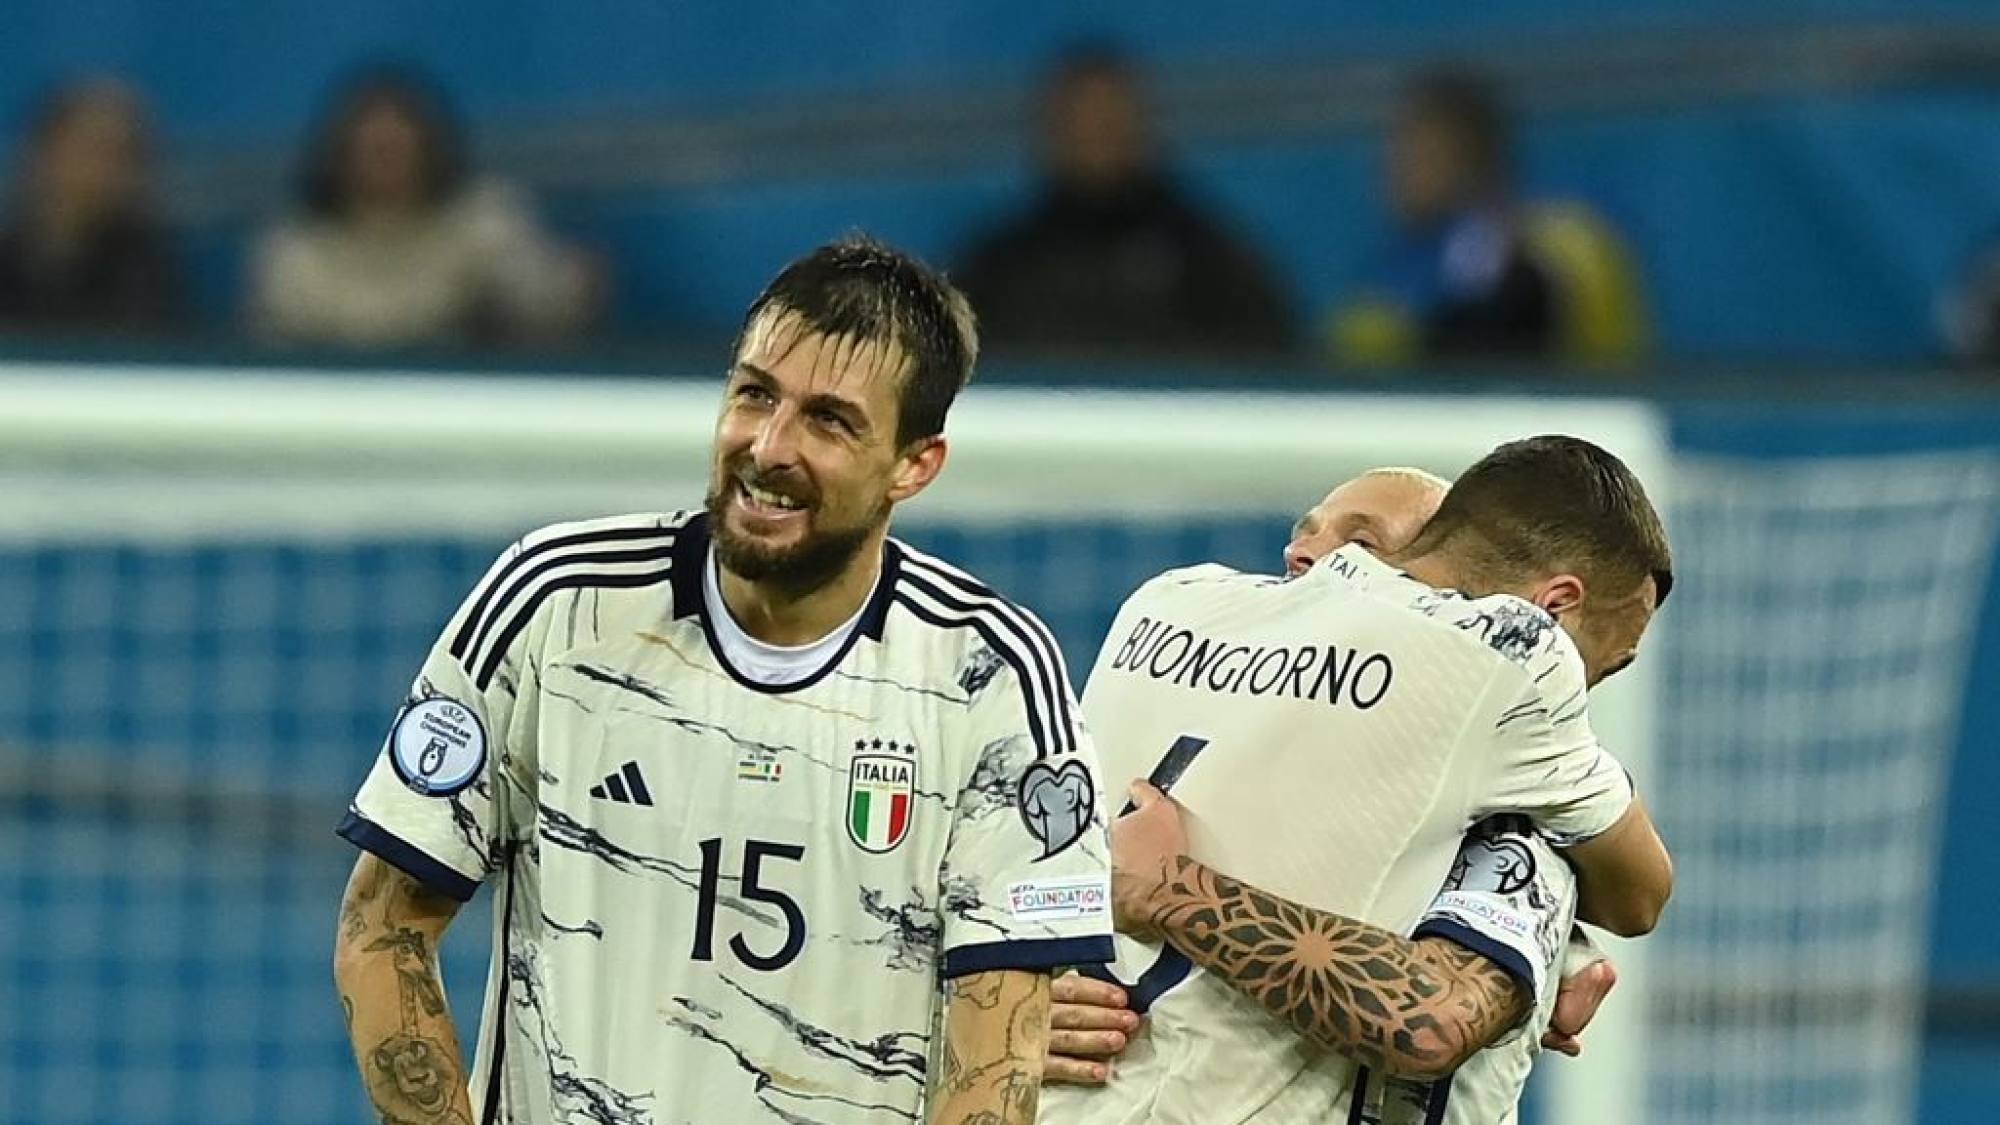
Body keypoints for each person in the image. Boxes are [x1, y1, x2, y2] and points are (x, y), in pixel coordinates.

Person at [332, 236, 1114, 1125]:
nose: (769, 446)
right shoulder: (556, 604)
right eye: (755, 394)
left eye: (829, 420)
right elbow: (381, 927)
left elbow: (994, 1069)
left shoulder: (993, 680)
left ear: (915, 463)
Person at [1039, 435, 1674, 1123]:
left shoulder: (1166, 601)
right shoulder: (1509, 661)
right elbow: (1639, 899)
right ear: (1551, 607)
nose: (1317, 560)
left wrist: (1556, 948)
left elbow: (1040, 873)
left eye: (1363, 542)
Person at [955, 44, 1294, 358]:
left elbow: (1269, 354)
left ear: (1141, 127)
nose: (1095, 136)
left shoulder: (1205, 261)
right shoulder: (1005, 267)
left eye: (1109, 119)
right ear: (1050, 132)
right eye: (1080, 121)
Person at [250, 64, 594, 350]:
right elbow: (273, 355)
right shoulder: (298, 250)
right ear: (339, 155)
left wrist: (570, 288)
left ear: (429, 147)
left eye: (397, 146)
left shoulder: (483, 221)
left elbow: (550, 303)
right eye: (373, 150)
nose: (386, 160)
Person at [1330, 69, 1562, 365]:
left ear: (1466, 157)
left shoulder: (1493, 253)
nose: (1393, 167)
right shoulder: (1405, 258)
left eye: (1415, 150)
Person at [0, 78, 181, 334]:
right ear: (43, 152)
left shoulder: (146, 272)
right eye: (91, 150)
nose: (103, 171)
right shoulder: (8, 259)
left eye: (122, 156)